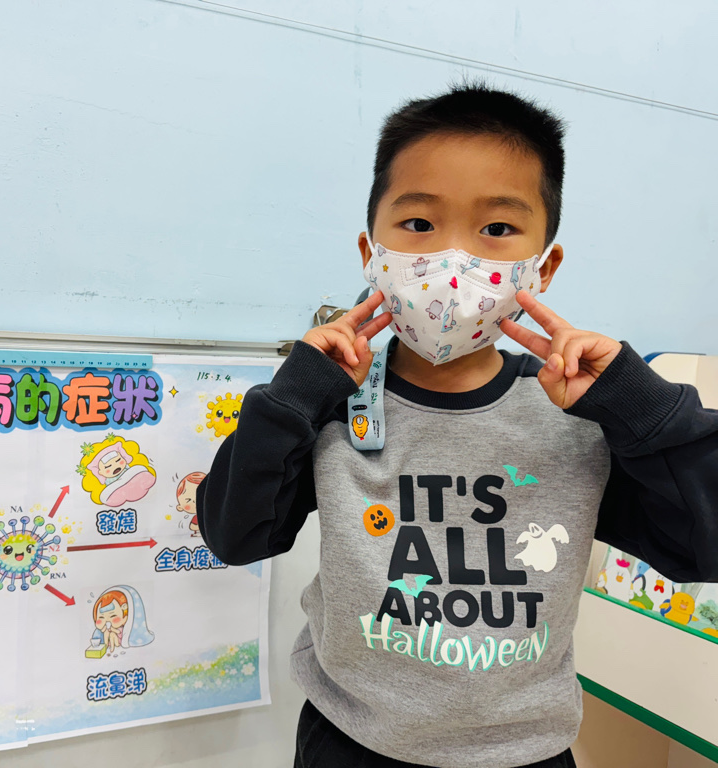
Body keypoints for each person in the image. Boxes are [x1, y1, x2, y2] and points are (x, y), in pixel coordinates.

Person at [198, 83, 718, 768]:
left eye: (496, 229)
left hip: (526, 753)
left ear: (544, 265)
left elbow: (706, 546)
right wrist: (292, 397)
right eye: (418, 223)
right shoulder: (329, 403)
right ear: (370, 252)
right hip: (350, 744)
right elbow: (234, 534)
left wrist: (639, 406)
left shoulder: (578, 418)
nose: (451, 262)